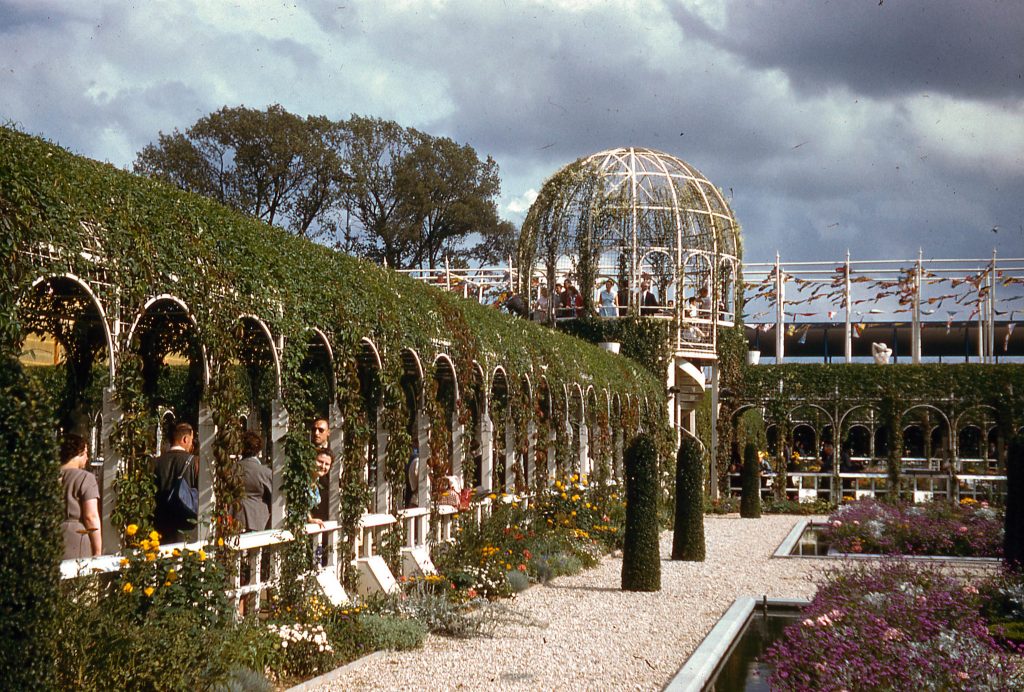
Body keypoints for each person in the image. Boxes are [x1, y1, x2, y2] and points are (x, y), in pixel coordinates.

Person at [153, 422, 198, 543]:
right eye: (191, 440)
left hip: (162, 526)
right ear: (185, 439)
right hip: (186, 526)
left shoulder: (157, 462)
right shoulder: (193, 461)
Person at [60, 433, 101, 559]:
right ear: (79, 453)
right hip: (76, 537)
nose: (87, 458)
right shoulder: (85, 478)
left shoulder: (47, 477)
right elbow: (90, 516)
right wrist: (97, 550)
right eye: (86, 453)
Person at [235, 431, 273, 532]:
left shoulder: (232, 469)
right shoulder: (265, 472)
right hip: (258, 520)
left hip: (234, 517)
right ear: (258, 450)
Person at [308, 448, 333, 527]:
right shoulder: (303, 479)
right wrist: (309, 519)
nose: (323, 466)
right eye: (320, 462)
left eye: (327, 464)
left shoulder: (318, 481)